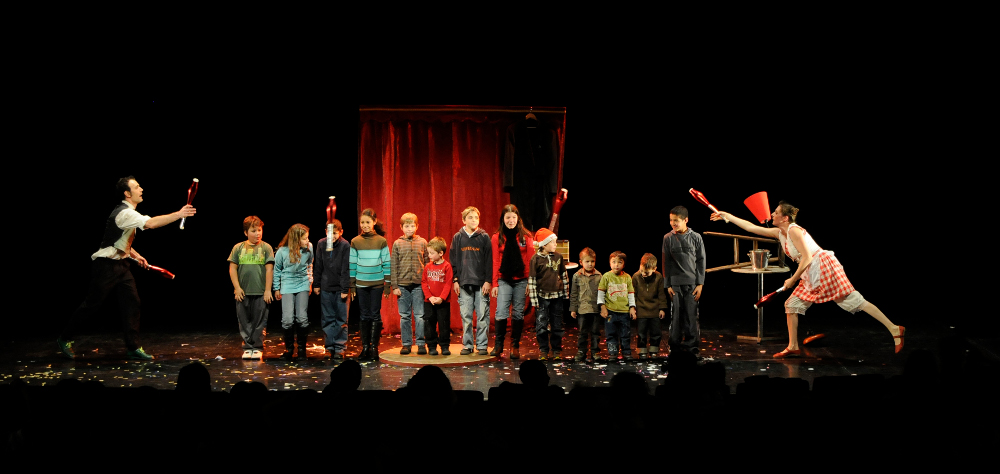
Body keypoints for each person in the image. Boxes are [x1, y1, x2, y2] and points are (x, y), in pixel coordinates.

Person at [712, 201, 905, 357]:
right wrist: (727, 216)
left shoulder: (795, 230)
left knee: (852, 300)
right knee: (792, 304)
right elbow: (751, 227)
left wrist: (792, 280)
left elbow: (807, 257)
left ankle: (894, 328)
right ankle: (793, 346)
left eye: (775, 212)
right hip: (809, 271)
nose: (772, 215)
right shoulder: (780, 233)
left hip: (822, 267)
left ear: (785, 217)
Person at [57, 176, 196, 360]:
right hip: (106, 266)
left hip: (121, 265)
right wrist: (179, 214)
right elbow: (150, 223)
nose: (141, 189)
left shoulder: (128, 212)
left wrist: (136, 255)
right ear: (127, 193)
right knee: (91, 305)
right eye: (137, 187)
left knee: (132, 302)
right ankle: (64, 338)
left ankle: (133, 347)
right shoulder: (125, 213)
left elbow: (121, 242)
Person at [490, 204, 535, 359]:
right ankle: (499, 345)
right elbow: (495, 261)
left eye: (513, 217)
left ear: (518, 218)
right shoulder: (497, 237)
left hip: (521, 279)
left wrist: (530, 282)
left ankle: (515, 345)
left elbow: (530, 260)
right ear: (503, 219)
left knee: (517, 312)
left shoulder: (526, 236)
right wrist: (495, 283)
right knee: (501, 311)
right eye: (508, 217)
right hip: (504, 279)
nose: (511, 220)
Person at [228, 216, 275, 360]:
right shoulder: (238, 248)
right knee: (244, 321)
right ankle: (248, 347)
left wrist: (268, 290)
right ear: (245, 232)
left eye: (259, 230)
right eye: (254, 231)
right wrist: (237, 288)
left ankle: (257, 347)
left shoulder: (266, 247)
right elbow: (232, 268)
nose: (258, 234)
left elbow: (269, 270)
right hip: (243, 291)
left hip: (260, 292)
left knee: (259, 321)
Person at [662, 206, 706, 357]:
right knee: (676, 317)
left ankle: (692, 348)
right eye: (671, 220)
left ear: (685, 220)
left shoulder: (696, 237)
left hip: (692, 284)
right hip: (675, 284)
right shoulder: (668, 238)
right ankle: (675, 348)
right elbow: (666, 262)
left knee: (691, 316)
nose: (673, 223)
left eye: (676, 221)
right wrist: (667, 284)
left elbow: (701, 261)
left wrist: (700, 284)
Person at [450, 206, 492, 356]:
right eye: (470, 217)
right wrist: (455, 280)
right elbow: (453, 260)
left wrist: (488, 280)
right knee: (466, 316)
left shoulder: (484, 237)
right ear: (464, 220)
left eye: (476, 217)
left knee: (482, 316)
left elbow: (489, 260)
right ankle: (467, 345)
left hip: (481, 283)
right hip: (464, 282)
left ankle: (481, 345)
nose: (473, 220)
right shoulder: (458, 237)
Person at [350, 208, 391, 362]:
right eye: (362, 222)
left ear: (374, 222)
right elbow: (352, 263)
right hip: (361, 283)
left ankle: (374, 347)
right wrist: (352, 285)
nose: (365, 225)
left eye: (368, 222)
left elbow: (386, 262)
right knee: (364, 314)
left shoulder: (381, 240)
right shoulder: (356, 241)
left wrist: (387, 284)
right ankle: (365, 346)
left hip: (377, 283)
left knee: (374, 313)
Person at [273, 223, 314, 361]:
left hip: (302, 283)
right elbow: (277, 270)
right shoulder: (282, 251)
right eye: (304, 238)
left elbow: (309, 264)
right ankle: (289, 349)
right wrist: (276, 288)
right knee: (287, 320)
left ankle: (302, 349)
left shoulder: (309, 248)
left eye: (307, 238)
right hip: (287, 284)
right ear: (296, 239)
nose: (307, 241)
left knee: (302, 318)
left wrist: (310, 282)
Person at [528, 228, 570, 360]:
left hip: (556, 296)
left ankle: (557, 350)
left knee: (557, 324)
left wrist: (565, 294)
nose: (555, 245)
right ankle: (544, 350)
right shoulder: (535, 259)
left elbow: (564, 276)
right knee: (542, 325)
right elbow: (532, 280)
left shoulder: (558, 257)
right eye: (553, 242)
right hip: (542, 297)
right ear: (544, 244)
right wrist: (534, 301)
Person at [314, 218, 351, 360]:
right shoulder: (321, 244)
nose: (333, 236)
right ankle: (329, 346)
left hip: (340, 288)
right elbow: (318, 265)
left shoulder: (345, 245)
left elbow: (345, 268)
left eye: (335, 233)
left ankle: (340, 347)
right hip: (326, 287)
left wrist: (344, 289)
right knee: (328, 318)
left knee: (341, 318)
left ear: (341, 232)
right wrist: (316, 284)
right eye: (330, 233)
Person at [391, 212, 428, 355]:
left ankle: (420, 343)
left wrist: (426, 285)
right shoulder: (397, 243)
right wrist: (394, 286)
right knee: (405, 316)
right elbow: (394, 265)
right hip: (402, 285)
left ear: (417, 226)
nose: (410, 229)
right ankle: (406, 344)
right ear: (401, 227)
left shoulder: (423, 242)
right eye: (407, 226)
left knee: (420, 316)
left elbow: (427, 264)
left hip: (419, 285)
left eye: (412, 226)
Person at [598, 251, 637, 361]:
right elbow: (601, 293)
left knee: (625, 334)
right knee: (611, 334)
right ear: (610, 263)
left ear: (623, 264)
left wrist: (632, 307)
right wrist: (603, 307)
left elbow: (630, 293)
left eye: (619, 262)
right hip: (611, 311)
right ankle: (613, 353)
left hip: (624, 312)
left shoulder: (627, 277)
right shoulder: (606, 276)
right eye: (613, 262)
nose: (616, 265)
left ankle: (626, 352)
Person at [633, 253, 668, 360]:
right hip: (641, 310)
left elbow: (661, 294)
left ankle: (654, 350)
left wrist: (662, 308)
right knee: (641, 332)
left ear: (654, 269)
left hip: (654, 310)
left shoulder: (658, 277)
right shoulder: (635, 277)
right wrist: (633, 308)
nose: (643, 274)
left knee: (656, 332)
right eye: (642, 270)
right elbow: (633, 294)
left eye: (647, 272)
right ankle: (642, 351)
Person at [421, 237, 453, 355]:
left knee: (444, 323)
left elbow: (448, 283)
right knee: (429, 323)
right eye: (429, 252)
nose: (429, 255)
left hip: (442, 302)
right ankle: (431, 345)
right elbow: (424, 282)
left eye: (432, 253)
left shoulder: (447, 266)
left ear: (440, 253)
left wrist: (441, 298)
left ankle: (444, 346)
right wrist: (429, 297)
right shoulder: (428, 267)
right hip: (429, 301)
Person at [570, 247, 602, 362]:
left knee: (595, 332)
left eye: (592, 261)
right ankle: (581, 351)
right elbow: (574, 293)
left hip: (595, 309)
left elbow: (602, 293)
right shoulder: (577, 276)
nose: (590, 264)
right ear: (581, 262)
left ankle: (595, 351)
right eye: (587, 261)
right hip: (582, 309)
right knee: (582, 332)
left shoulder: (599, 276)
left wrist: (603, 308)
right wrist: (573, 308)